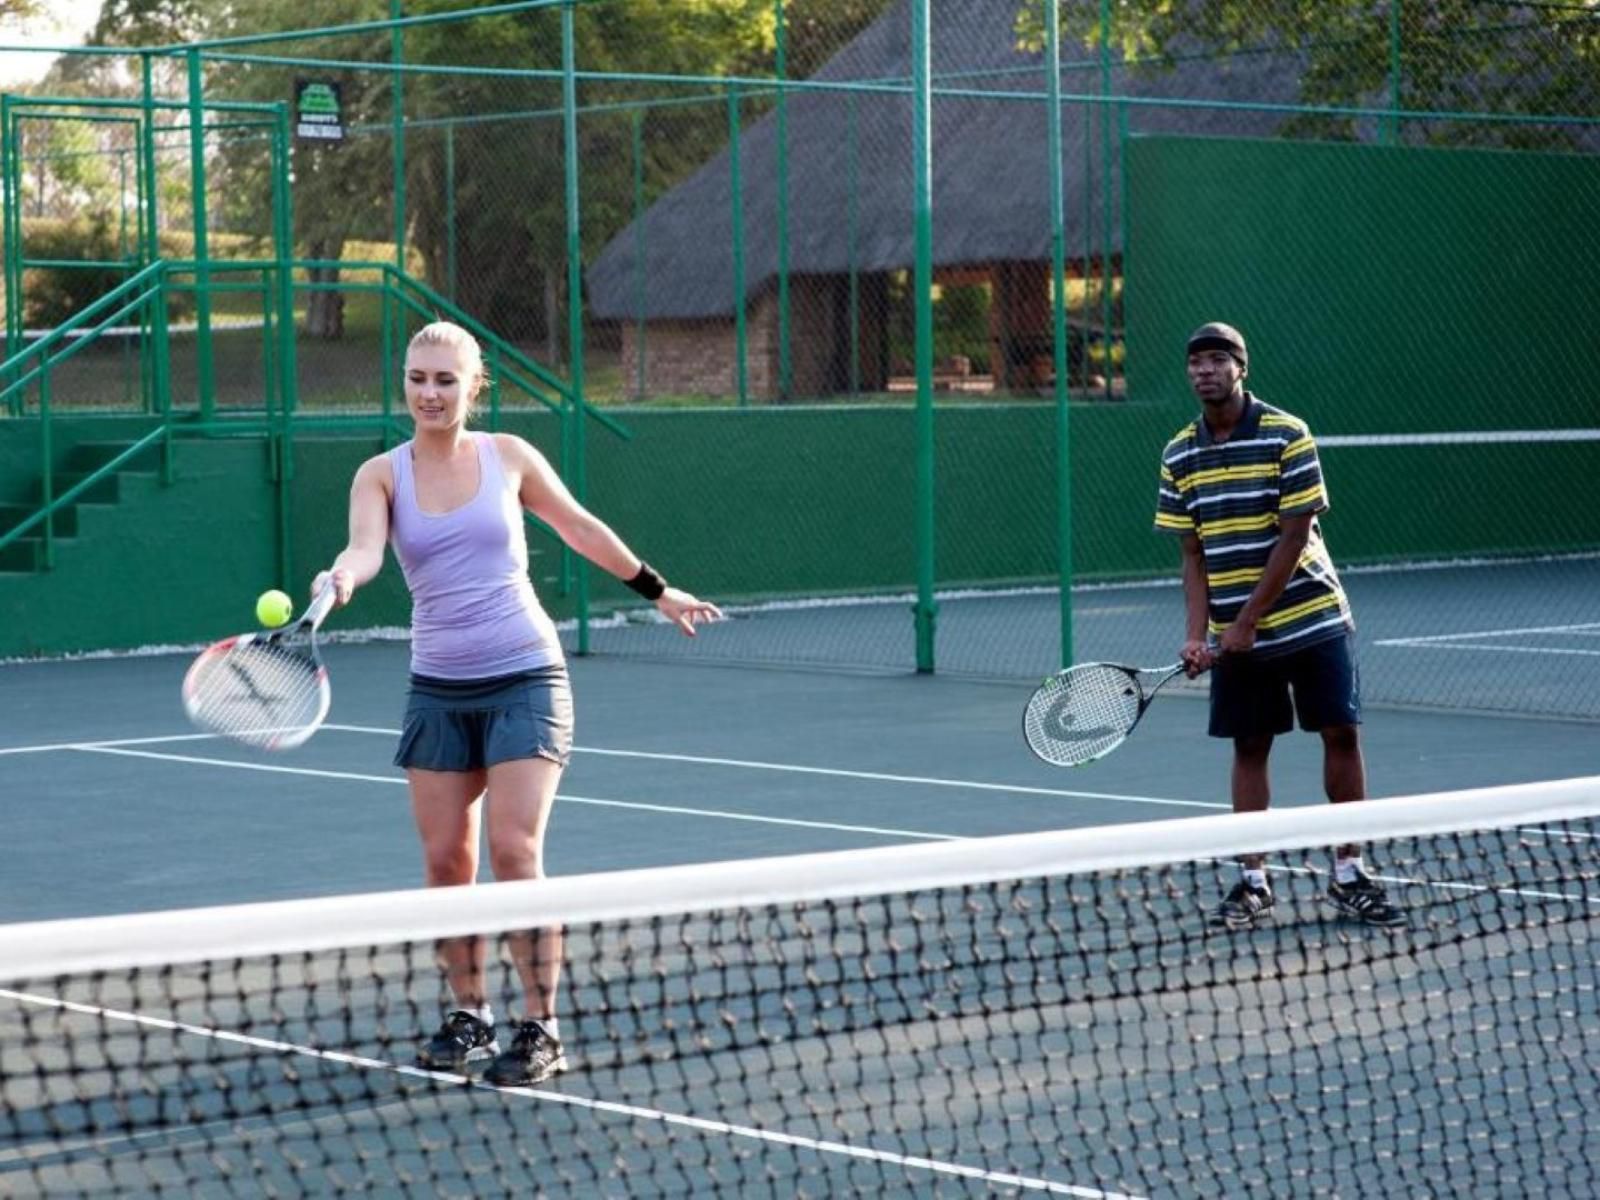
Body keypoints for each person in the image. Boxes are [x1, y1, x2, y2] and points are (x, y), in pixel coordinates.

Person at [312, 320, 722, 1085]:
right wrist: (341, 576)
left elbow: (576, 526)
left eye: (445, 380)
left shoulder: (509, 458)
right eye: (417, 378)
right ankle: (471, 1014)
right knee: (445, 865)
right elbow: (365, 549)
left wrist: (658, 591)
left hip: (525, 675)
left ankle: (541, 1026)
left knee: (513, 852)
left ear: (474, 386)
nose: (429, 393)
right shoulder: (381, 475)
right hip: (437, 687)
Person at [1153, 322, 1402, 930]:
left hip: (1312, 617)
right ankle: (1254, 882)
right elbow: (1193, 554)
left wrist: (1244, 623)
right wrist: (1197, 632)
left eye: (1217, 360)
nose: (1204, 371)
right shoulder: (1178, 454)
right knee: (1250, 746)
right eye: (1195, 363)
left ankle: (1349, 873)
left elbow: (1293, 539)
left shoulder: (1288, 435)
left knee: (1340, 733)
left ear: (1242, 368)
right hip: (1236, 632)